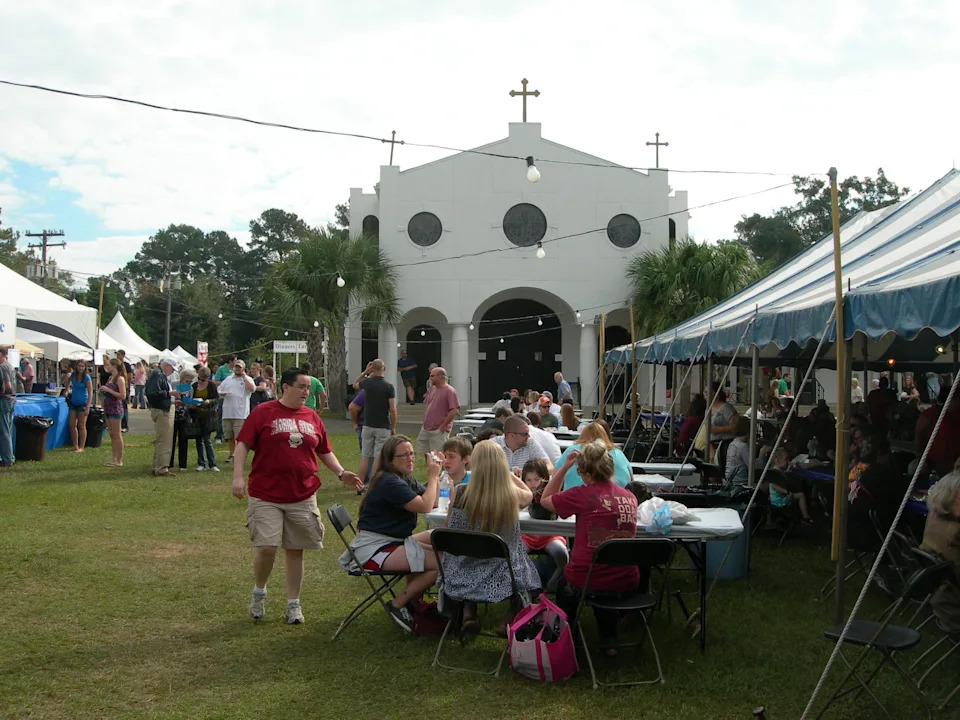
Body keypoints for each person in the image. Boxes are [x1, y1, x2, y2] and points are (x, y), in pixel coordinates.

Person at [233, 367, 362, 625]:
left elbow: (324, 450)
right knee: (267, 547)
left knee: (295, 550)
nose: (307, 391)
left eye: (309, 387)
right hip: (266, 493)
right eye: (302, 386)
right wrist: (237, 477)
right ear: (285, 387)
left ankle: (293, 604)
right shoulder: (263, 412)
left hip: (302, 493)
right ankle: (259, 592)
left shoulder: (311, 416)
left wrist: (340, 472)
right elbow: (243, 444)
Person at [540, 442, 640, 656]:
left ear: (584, 473)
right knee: (606, 574)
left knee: (567, 585)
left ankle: (569, 639)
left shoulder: (582, 494)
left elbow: (545, 500)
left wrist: (564, 467)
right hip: (626, 580)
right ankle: (609, 638)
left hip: (586, 579)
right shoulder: (629, 497)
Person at [438, 440, 540, 634]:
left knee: (473, 558)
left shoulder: (460, 492)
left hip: (459, 572)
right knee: (531, 581)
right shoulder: (511, 495)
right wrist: (507, 473)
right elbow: (529, 494)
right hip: (502, 574)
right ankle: (508, 619)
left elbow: (448, 528)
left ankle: (469, 611)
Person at [341, 435, 440, 632]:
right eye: (403, 455)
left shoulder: (402, 478)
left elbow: (434, 501)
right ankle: (398, 604)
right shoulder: (389, 482)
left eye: (411, 453)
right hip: (374, 549)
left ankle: (414, 603)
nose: (410, 458)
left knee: (436, 536)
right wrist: (433, 476)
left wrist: (440, 478)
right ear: (390, 460)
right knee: (442, 563)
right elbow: (425, 506)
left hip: (392, 541)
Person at [919, 471, 960, 632]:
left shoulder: (933, 517)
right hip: (953, 606)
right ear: (948, 498)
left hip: (939, 598)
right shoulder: (955, 531)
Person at [520, 457, 568, 592]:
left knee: (562, 554)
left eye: (537, 479)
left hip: (550, 536)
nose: (533, 484)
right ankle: (529, 585)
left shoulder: (551, 494)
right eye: (528, 480)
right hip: (527, 536)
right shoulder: (522, 494)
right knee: (516, 554)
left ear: (545, 479)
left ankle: (552, 584)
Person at [353, 359, 397, 480]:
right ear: (384, 368)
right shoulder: (388, 387)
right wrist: (393, 427)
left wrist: (365, 372)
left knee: (365, 456)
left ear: (372, 369)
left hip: (367, 425)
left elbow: (355, 384)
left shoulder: (367, 383)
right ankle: (372, 484)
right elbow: (392, 409)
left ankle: (360, 484)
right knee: (378, 456)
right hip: (382, 425)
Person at [555, 420, 632, 489]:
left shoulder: (572, 450)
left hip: (576, 499)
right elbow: (631, 478)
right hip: (618, 498)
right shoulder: (618, 453)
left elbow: (555, 474)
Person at [146, 357, 179, 476]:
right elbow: (152, 393)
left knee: (162, 439)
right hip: (162, 409)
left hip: (162, 407)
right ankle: (161, 468)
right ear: (166, 365)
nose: (172, 372)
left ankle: (157, 465)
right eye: (171, 369)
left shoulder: (158, 374)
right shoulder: (158, 374)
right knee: (165, 440)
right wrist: (170, 393)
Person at [417, 366, 459, 461]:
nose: (430, 378)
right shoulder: (432, 389)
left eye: (432, 376)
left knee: (438, 457)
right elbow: (428, 405)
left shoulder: (450, 391)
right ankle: (430, 473)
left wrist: (443, 426)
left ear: (441, 377)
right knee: (427, 454)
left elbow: (454, 410)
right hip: (426, 428)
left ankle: (440, 474)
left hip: (439, 430)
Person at [219, 359, 255, 464]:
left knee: (239, 436)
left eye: (239, 367)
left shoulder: (247, 379)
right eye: (236, 367)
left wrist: (244, 378)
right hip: (227, 412)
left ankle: (239, 454)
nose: (237, 369)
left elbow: (252, 389)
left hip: (241, 412)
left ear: (243, 368)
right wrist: (222, 393)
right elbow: (219, 389)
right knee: (229, 436)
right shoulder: (228, 379)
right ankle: (232, 453)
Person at [765, 448, 813, 525]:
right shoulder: (775, 473)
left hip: (776, 497)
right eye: (785, 460)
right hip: (779, 500)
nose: (787, 462)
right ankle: (805, 516)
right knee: (801, 495)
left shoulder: (778, 471)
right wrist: (786, 492)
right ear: (777, 460)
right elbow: (773, 485)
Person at [169, 368, 198, 473]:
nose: (189, 383)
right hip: (173, 414)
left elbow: (189, 399)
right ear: (182, 378)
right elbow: (170, 396)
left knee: (183, 440)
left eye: (190, 381)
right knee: (171, 440)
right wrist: (176, 400)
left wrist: (190, 403)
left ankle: (183, 464)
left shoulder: (190, 388)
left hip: (184, 415)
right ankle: (169, 462)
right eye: (187, 381)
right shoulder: (174, 384)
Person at [192, 365, 219, 472]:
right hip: (196, 415)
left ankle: (212, 464)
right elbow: (189, 397)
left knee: (207, 440)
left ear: (207, 378)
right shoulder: (194, 386)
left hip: (208, 415)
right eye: (199, 379)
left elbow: (216, 399)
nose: (200, 381)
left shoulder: (211, 386)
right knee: (198, 440)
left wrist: (209, 401)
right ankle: (201, 463)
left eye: (202, 380)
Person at [100, 358, 127, 467]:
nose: (107, 367)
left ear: (114, 366)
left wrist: (108, 390)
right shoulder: (111, 378)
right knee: (112, 434)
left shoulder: (120, 379)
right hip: (108, 407)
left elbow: (122, 395)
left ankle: (119, 460)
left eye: (109, 365)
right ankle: (114, 458)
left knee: (117, 435)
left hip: (115, 408)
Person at [66, 359, 93, 452]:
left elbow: (90, 393)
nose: (80, 368)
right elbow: (67, 383)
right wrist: (65, 391)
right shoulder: (73, 375)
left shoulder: (87, 378)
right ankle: (75, 445)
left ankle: (81, 447)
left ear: (85, 367)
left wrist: (88, 407)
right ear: (76, 367)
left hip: (83, 403)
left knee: (81, 426)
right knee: (72, 425)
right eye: (79, 366)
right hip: (73, 402)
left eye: (82, 366)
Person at [724, 416, 752, 486]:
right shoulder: (743, 446)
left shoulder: (732, 444)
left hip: (729, 481)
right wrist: (761, 455)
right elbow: (752, 467)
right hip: (741, 483)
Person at [0, 347, 16, 469]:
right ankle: (9, 457)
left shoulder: (2, 367)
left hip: (4, 400)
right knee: (8, 430)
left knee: (4, 431)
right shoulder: (10, 366)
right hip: (12, 400)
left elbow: (8, 386)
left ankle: (7, 459)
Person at [115, 350, 134, 433]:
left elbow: (130, 377)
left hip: (124, 387)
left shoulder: (127, 365)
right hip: (116, 387)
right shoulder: (116, 365)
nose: (117, 356)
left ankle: (125, 425)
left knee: (123, 406)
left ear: (123, 355)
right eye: (117, 355)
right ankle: (117, 424)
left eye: (119, 354)